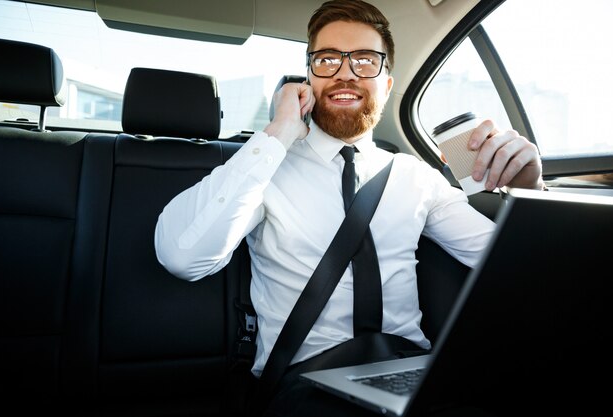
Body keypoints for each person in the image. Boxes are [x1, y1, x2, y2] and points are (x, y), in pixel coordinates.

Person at [154, 1, 545, 415]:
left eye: (364, 60)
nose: (344, 72)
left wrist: (530, 191)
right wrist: (281, 129)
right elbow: (182, 256)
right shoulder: (263, 169)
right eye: (326, 59)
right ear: (308, 77)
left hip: (409, 372)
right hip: (303, 384)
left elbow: (517, 264)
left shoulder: (416, 176)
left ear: (388, 84)